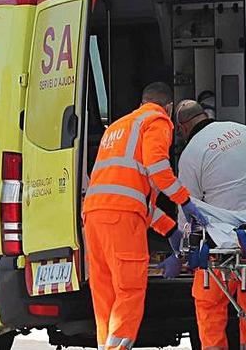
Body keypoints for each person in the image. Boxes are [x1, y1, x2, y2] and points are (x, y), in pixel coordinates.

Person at [83, 83, 208, 350]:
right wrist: (184, 201)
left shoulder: (118, 127)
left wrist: (170, 230)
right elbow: (158, 168)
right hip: (121, 220)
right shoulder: (157, 121)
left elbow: (131, 195)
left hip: (95, 216)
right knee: (129, 289)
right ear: (169, 108)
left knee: (105, 294)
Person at [173, 100, 246, 350]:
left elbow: (187, 207)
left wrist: (183, 250)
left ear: (182, 128)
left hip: (224, 245)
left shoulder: (191, 153)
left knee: (210, 306)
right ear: (205, 116)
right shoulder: (244, 131)